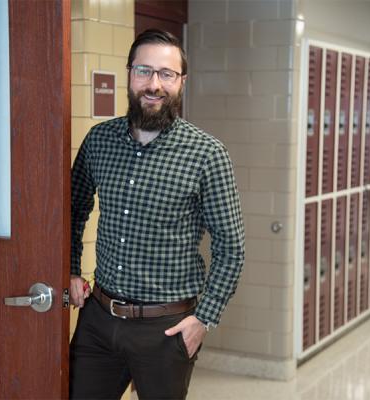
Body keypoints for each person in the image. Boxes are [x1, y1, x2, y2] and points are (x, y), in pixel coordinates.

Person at [69, 29, 245, 400]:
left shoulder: (206, 154)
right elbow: (72, 209)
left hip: (167, 329)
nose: (154, 84)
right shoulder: (99, 140)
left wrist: (203, 319)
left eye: (166, 74)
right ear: (130, 74)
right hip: (98, 320)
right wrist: (70, 269)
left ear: (182, 81)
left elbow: (232, 248)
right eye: (144, 71)